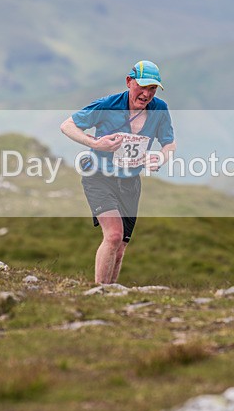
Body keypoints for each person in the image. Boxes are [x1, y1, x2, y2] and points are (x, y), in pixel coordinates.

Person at [60, 60, 176, 285]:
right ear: (128, 82)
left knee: (121, 247)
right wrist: (94, 143)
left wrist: (160, 157)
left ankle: (110, 294)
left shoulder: (160, 109)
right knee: (112, 235)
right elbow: (67, 125)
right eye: (142, 86)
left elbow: (169, 144)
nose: (146, 94)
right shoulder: (108, 105)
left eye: (152, 89)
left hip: (130, 183)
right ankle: (99, 293)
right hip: (99, 178)